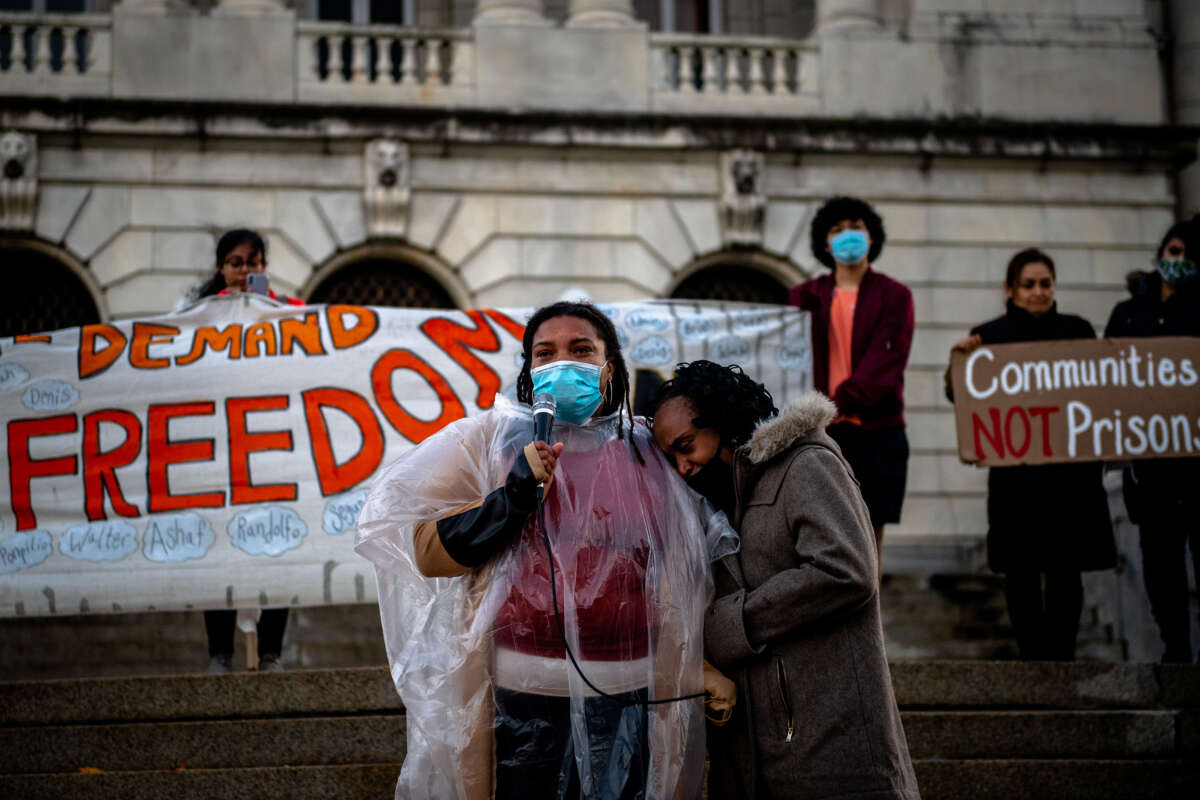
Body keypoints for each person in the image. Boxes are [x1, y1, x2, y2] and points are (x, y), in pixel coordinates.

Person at [356, 301, 727, 800]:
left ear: (608, 366)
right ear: (530, 370)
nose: (561, 363)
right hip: (521, 703)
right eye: (544, 353)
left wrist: (700, 665)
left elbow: (693, 561)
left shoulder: (648, 449)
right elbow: (425, 548)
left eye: (580, 350)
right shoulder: (489, 442)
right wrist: (510, 499)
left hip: (632, 699)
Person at [651, 360, 920, 800]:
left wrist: (728, 625)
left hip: (833, 752)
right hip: (760, 758)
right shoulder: (724, 501)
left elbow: (845, 569)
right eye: (671, 458)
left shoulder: (806, 463)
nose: (683, 467)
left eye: (686, 445)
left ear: (720, 420)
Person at [947, 248, 1116, 660]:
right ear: (1010, 289)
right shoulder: (988, 337)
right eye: (1029, 285)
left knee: (1066, 570)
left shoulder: (1078, 330)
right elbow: (962, 395)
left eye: (1046, 284)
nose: (1038, 292)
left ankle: (1062, 660)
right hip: (1016, 480)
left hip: (1070, 479)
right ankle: (1032, 662)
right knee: (1020, 570)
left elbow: (1101, 390)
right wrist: (961, 362)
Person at [187, 229, 295, 672]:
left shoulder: (287, 313)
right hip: (217, 454)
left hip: (272, 452)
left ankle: (271, 651)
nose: (244, 270)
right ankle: (219, 653)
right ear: (221, 269)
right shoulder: (193, 316)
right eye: (235, 262)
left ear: (264, 266)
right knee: (219, 549)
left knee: (282, 544)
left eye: (253, 262)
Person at [789, 196, 914, 580]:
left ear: (871, 236)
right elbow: (790, 356)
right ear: (824, 244)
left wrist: (830, 402)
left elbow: (885, 365)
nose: (848, 236)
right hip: (822, 435)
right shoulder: (804, 297)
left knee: (869, 539)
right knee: (820, 535)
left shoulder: (895, 296)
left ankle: (868, 627)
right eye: (837, 229)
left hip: (877, 434)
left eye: (856, 227)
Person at [1104, 215, 1200, 663]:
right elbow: (1098, 378)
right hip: (1150, 476)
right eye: (1174, 251)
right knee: (1159, 567)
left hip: (1196, 471)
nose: (1179, 261)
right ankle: (1175, 650)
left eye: (1190, 256)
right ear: (1161, 253)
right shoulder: (1128, 314)